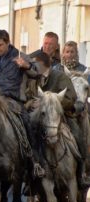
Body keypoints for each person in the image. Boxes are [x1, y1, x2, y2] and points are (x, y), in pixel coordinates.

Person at [0, 29, 45, 178]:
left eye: (0, 45)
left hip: (13, 101)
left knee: (28, 122)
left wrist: (26, 66)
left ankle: (34, 161)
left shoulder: (20, 56)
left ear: (8, 43)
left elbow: (39, 71)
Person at [31, 51, 90, 188]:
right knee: (28, 134)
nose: (32, 66)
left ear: (41, 64)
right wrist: (31, 104)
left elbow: (71, 97)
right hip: (40, 117)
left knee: (78, 134)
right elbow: (28, 96)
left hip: (62, 116)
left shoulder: (60, 77)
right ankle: (32, 171)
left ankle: (82, 171)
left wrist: (54, 104)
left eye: (34, 64)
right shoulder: (33, 79)